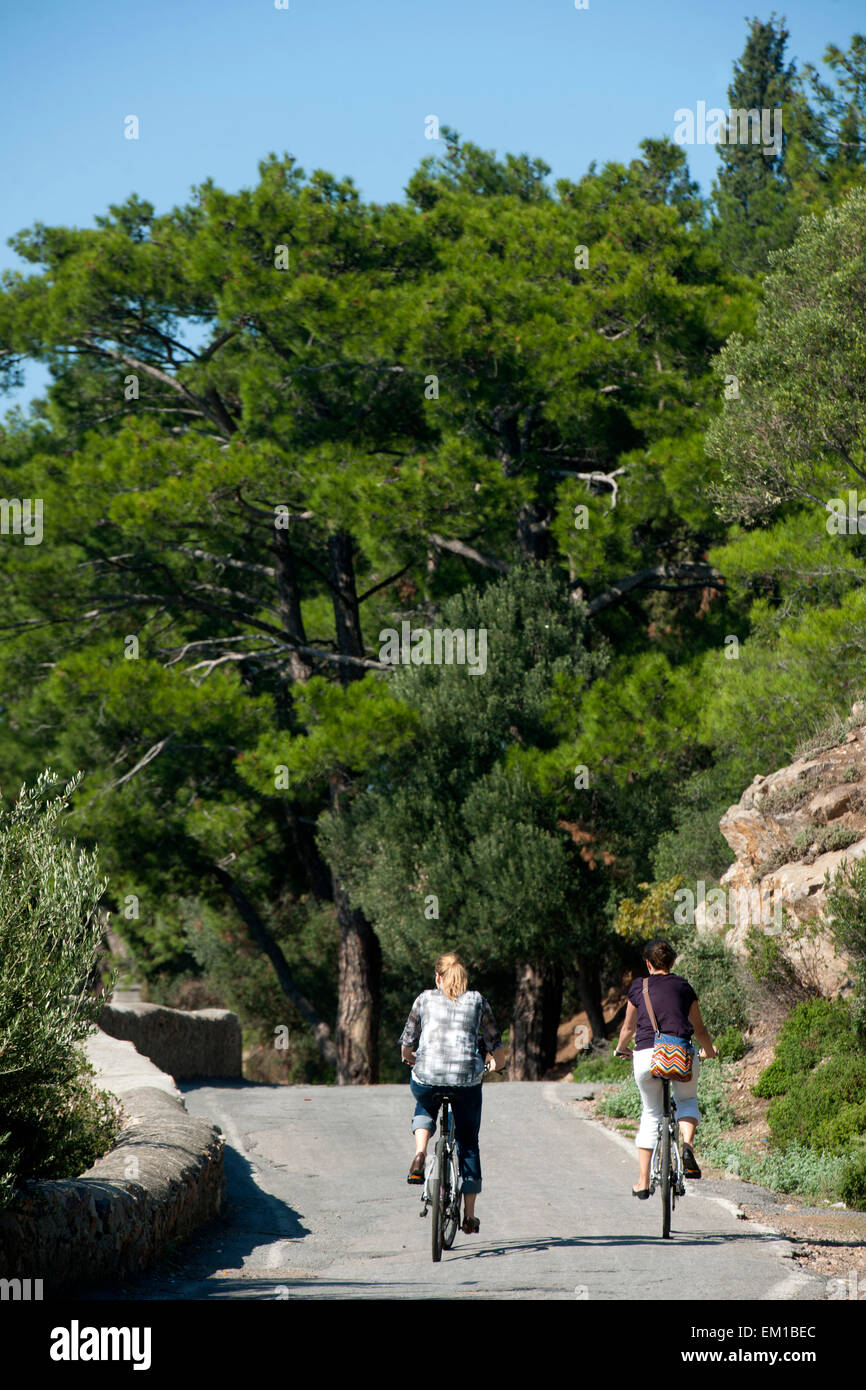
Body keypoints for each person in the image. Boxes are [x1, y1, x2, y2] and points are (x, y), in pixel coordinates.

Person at [399, 951, 505, 1235]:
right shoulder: (478, 1001)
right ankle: (469, 1216)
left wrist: (411, 1058)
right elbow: (494, 1042)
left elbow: (407, 1043)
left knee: (424, 1102)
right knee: (468, 1142)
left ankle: (420, 1153)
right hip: (465, 1080)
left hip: (428, 1076)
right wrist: (497, 1064)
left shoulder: (424, 999)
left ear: (438, 977)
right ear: (464, 978)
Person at [614, 938, 717, 1198]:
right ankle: (687, 1146)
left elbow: (628, 1028)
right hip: (680, 1054)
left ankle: (643, 1181)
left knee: (651, 1113)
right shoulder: (684, 987)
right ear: (672, 962)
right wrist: (710, 1051)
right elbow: (699, 1029)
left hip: (647, 1056)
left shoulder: (639, 987)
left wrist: (620, 1048)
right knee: (687, 1099)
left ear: (648, 964)